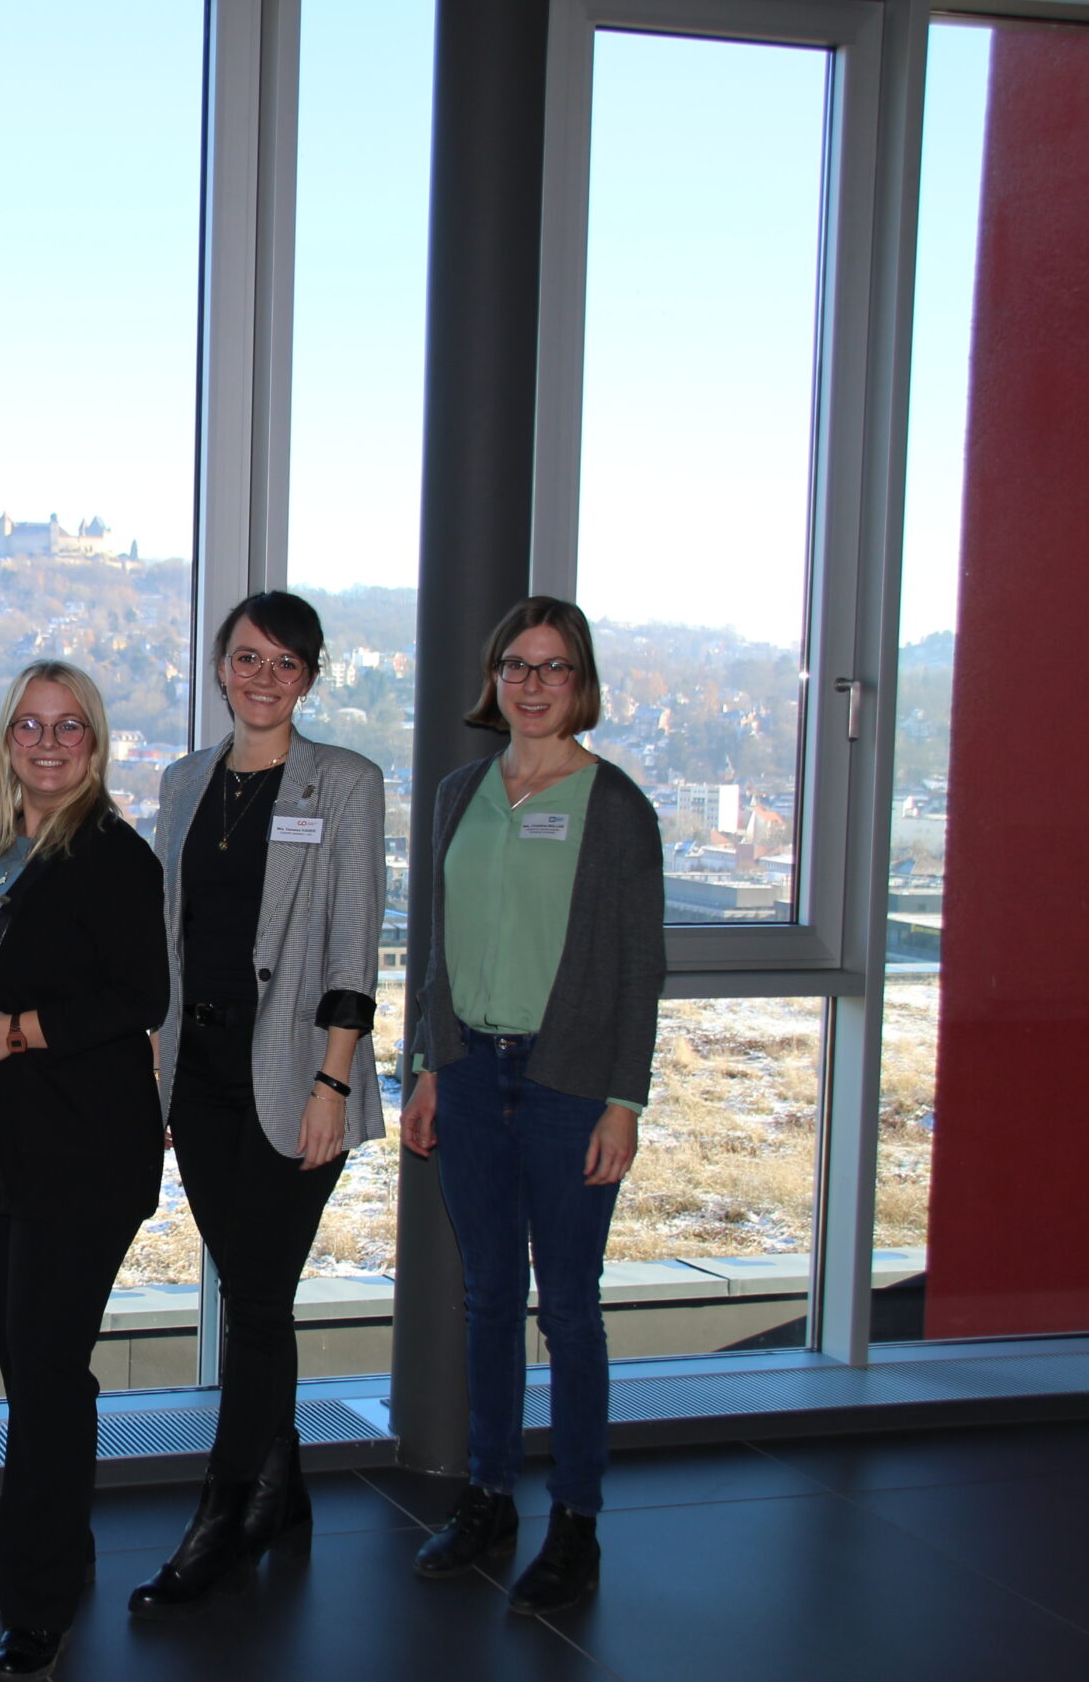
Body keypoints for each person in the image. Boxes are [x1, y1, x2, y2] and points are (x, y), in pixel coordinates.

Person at [399, 594, 663, 1617]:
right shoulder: (462, 791)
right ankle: (489, 1498)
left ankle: (576, 1523)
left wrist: (623, 1100)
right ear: (494, 678)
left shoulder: (616, 804)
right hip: (467, 1077)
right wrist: (425, 1065)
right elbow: (437, 941)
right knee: (484, 1301)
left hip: (565, 1088)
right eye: (518, 665)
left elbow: (642, 964)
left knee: (569, 1309)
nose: (535, 684)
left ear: (580, 683)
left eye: (555, 668)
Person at [131, 590, 386, 1616]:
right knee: (249, 1291)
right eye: (245, 657)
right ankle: (278, 1489)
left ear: (311, 676)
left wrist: (334, 1080)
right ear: (220, 667)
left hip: (294, 1077)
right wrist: (152, 1079)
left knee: (263, 1299)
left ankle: (221, 1512)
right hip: (199, 1076)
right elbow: (169, 940)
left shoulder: (345, 782)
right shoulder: (184, 780)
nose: (262, 677)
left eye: (284, 662)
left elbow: (354, 938)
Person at [0, 663, 167, 1681]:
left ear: (95, 739)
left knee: (43, 1374)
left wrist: (16, 1031)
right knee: (33, 1367)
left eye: (66, 725)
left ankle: (38, 1604)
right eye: (27, 724)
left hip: (82, 1150)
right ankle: (55, 1554)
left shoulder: (114, 855)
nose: (45, 741)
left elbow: (140, 995)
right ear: (5, 739)